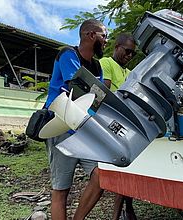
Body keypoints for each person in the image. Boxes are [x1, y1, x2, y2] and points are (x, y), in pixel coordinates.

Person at [44, 19, 108, 220]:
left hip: (83, 129)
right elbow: (78, 87)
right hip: (61, 126)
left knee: (100, 177)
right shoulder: (68, 55)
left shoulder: (97, 66)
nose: (106, 41)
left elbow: (99, 97)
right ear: (91, 35)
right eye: (103, 36)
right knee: (61, 190)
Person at [100, 33, 137, 220]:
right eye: (127, 51)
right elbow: (105, 90)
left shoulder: (130, 73)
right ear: (117, 47)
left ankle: (127, 209)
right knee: (120, 169)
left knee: (127, 167)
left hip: (126, 123)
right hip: (110, 121)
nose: (129, 56)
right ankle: (118, 214)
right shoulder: (106, 63)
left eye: (133, 54)